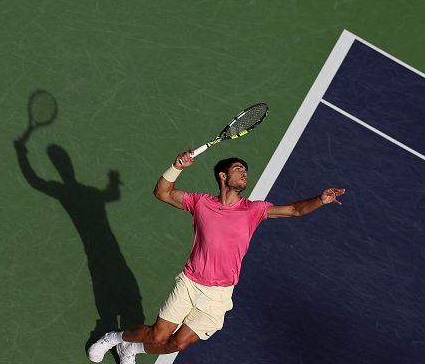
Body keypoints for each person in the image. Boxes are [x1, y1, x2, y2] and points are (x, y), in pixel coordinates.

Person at [88, 151, 346, 363]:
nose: (244, 172)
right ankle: (116, 337)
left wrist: (320, 200)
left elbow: (294, 210)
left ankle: (131, 350)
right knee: (158, 336)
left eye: (245, 170)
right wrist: (176, 167)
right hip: (190, 283)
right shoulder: (201, 203)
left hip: (219, 295)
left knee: (176, 344)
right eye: (237, 168)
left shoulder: (253, 210)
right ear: (223, 176)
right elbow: (163, 193)